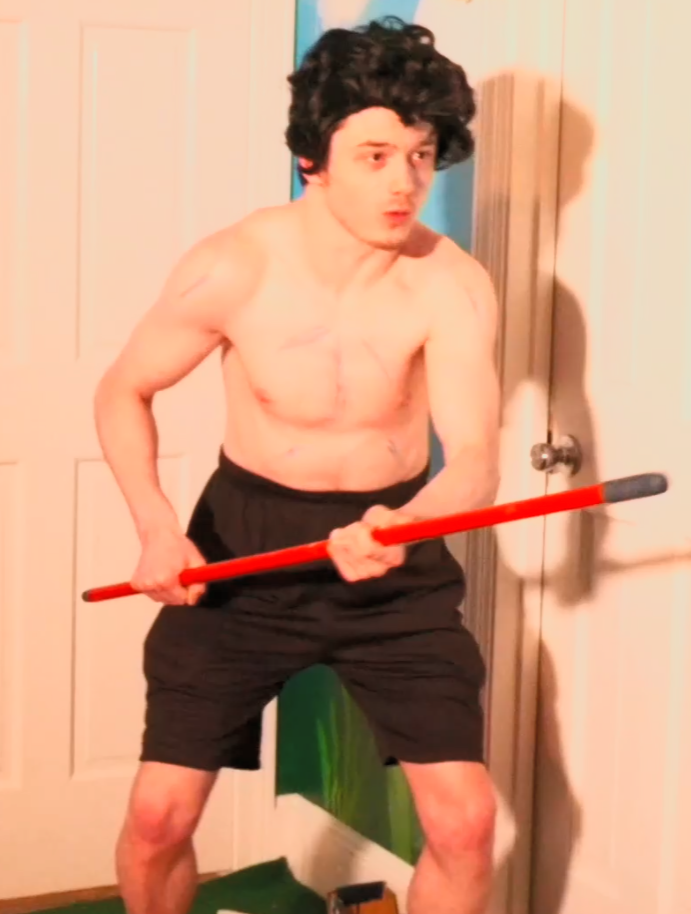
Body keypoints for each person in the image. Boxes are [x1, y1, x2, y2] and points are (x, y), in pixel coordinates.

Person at [94, 17, 505, 914]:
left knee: (467, 823)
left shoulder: (453, 284)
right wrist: (157, 529)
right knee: (159, 817)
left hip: (395, 549)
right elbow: (123, 390)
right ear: (313, 160)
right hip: (241, 550)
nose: (404, 183)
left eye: (421, 156)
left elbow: (475, 460)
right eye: (375, 156)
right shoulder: (234, 267)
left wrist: (407, 524)